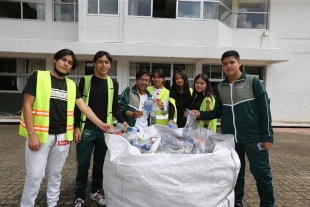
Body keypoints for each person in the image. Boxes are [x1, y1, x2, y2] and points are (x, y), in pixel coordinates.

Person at [19, 49, 114, 207]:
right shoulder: (38, 76)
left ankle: (52, 203)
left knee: (56, 174)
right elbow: (27, 105)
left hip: (62, 137)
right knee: (35, 175)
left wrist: (100, 123)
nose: (66, 64)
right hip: (40, 136)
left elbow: (83, 107)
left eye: (70, 62)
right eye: (64, 60)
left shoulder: (70, 84)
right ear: (55, 60)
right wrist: (32, 134)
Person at [191, 50, 275, 207]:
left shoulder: (252, 82)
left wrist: (267, 136)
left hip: (254, 138)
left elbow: (264, 109)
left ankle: (268, 204)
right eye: (225, 63)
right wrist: (199, 114)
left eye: (232, 62)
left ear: (239, 63)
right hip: (231, 139)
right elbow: (218, 112)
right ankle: (237, 204)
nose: (228, 66)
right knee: (236, 174)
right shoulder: (221, 87)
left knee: (262, 175)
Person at [73, 51, 129, 207]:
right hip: (87, 130)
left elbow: (115, 107)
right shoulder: (85, 81)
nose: (103, 65)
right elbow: (78, 107)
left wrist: (123, 122)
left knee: (100, 164)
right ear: (94, 63)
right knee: (83, 164)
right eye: (100, 62)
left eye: (106, 62)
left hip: (106, 131)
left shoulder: (113, 83)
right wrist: (76, 127)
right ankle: (79, 195)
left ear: (110, 65)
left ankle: (95, 191)